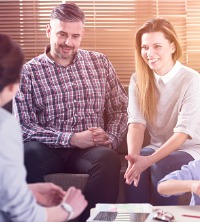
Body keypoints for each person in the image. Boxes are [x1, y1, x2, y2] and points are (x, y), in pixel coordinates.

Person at [13, 3, 128, 221]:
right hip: (47, 148)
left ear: (82, 33)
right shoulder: (28, 72)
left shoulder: (100, 63)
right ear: (48, 30)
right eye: (62, 34)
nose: (68, 42)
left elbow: (120, 109)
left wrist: (110, 139)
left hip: (90, 151)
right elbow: (23, 127)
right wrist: (72, 139)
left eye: (75, 36)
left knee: (109, 159)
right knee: (27, 154)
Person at [0, 33, 87, 222]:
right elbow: (23, 216)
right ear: (14, 85)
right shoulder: (5, 127)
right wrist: (68, 209)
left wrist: (27, 191)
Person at [124, 17, 200, 206]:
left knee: (161, 164)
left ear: (172, 46)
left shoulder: (191, 80)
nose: (150, 53)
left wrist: (147, 161)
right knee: (132, 174)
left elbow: (183, 133)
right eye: (145, 47)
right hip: (158, 146)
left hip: (190, 149)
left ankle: (164, 219)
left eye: (157, 46)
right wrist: (134, 160)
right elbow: (136, 124)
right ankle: (137, 219)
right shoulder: (138, 79)